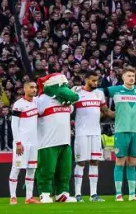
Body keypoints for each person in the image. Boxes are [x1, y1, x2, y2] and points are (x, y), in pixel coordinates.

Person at [33, 72, 80, 204]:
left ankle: (62, 194)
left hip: (65, 141)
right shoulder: (42, 100)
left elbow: (71, 107)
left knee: (64, 171)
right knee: (46, 170)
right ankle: (44, 193)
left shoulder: (67, 103)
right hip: (47, 143)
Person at [105, 67, 136, 201]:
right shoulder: (115, 90)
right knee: (119, 162)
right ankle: (118, 194)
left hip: (135, 131)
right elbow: (99, 92)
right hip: (121, 131)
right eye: (129, 76)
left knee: (132, 163)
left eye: (133, 76)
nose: (131, 78)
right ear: (123, 77)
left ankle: (132, 195)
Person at [71, 72, 107, 201]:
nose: (95, 83)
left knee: (94, 162)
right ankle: (77, 194)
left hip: (96, 133)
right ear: (86, 79)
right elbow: (68, 108)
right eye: (93, 80)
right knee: (80, 162)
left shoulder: (99, 94)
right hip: (81, 132)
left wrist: (121, 112)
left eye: (96, 81)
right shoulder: (77, 93)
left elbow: (105, 111)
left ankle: (93, 194)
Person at [9, 79, 39, 204]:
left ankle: (29, 197)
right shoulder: (18, 104)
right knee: (16, 168)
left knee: (31, 169)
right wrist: (18, 142)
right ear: (25, 89)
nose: (34, 89)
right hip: (22, 142)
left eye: (35, 87)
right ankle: (13, 197)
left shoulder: (37, 102)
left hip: (34, 142)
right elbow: (14, 125)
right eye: (31, 87)